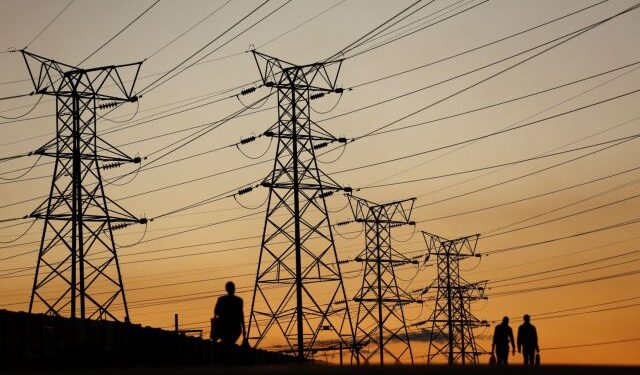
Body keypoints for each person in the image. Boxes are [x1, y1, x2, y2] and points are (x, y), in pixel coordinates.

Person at [212, 281, 246, 346]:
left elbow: (216, 312)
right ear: (234, 289)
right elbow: (241, 316)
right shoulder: (239, 300)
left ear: (226, 289)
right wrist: (244, 329)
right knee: (229, 344)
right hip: (235, 328)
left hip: (223, 328)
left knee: (226, 344)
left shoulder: (221, 299)